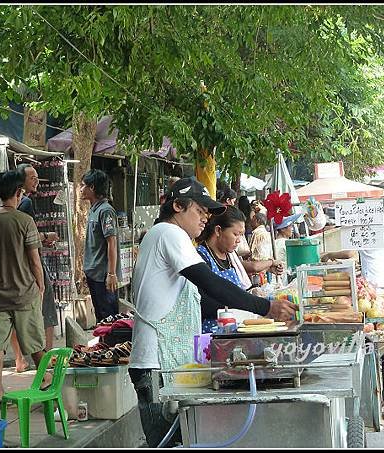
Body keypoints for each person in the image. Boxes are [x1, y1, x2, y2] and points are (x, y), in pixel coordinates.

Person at [128, 177, 298, 447]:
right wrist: (266, 308)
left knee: (184, 440)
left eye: (207, 212)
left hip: (168, 362)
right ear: (177, 207)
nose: (205, 218)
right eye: (199, 210)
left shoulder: (171, 238)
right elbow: (210, 282)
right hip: (155, 363)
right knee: (167, 443)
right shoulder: (168, 233)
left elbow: (204, 299)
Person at [0, 170, 50, 409]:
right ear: (18, 192)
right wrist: (41, 285)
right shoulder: (24, 221)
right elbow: (34, 260)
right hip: (24, 293)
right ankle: (46, 381)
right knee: (35, 342)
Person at [195, 206, 285, 332]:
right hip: (214, 333)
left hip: (238, 329)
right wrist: (244, 303)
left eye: (241, 235)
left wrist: (251, 293)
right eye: (235, 234)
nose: (238, 240)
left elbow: (241, 283)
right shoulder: (201, 257)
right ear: (218, 230)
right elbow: (204, 303)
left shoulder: (231, 255)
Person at [8, 163, 59, 373]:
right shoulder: (26, 203)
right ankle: (46, 357)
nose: (36, 181)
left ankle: (21, 359)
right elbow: (27, 237)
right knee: (45, 306)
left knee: (12, 312)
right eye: (32, 178)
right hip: (29, 263)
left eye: (37, 178)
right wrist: (45, 237)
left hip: (13, 268)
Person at [81, 169, 122, 322]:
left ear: (92, 188)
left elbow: (112, 242)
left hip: (103, 275)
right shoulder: (94, 210)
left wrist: (111, 274)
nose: (81, 189)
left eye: (84, 185)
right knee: (101, 318)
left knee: (109, 319)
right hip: (93, 273)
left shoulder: (106, 211)